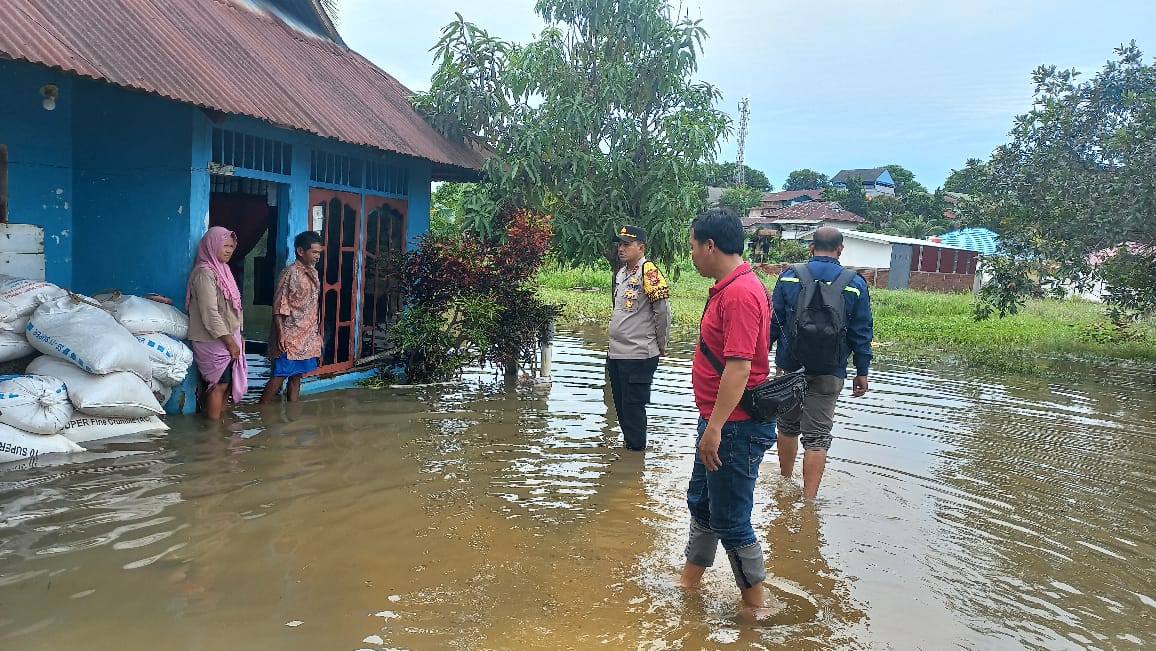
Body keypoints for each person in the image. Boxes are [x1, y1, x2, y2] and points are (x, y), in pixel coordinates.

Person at [678, 207, 777, 612]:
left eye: (693, 247)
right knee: (702, 503)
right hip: (719, 421)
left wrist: (715, 427)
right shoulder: (731, 286)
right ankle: (688, 583)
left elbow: (738, 369)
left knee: (732, 518)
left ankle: (756, 607)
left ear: (710, 245)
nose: (692, 256)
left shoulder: (739, 293)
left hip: (733, 426)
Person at [770, 226, 874, 499]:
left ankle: (784, 482)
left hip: (789, 366)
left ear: (810, 247)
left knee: (787, 427)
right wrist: (862, 371)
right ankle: (809, 501)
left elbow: (773, 323)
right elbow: (861, 331)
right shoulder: (855, 283)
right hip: (831, 370)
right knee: (817, 437)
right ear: (840, 249)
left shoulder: (790, 275)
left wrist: (760, 360)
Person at [606, 224, 671, 450]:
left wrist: (661, 344)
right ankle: (629, 458)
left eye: (627, 244)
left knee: (633, 410)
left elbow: (662, 311)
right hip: (616, 353)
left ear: (641, 247)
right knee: (622, 409)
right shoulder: (622, 273)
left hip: (638, 354)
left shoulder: (649, 272)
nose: (621, 249)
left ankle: (635, 463)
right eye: (620, 244)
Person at [187, 226, 248, 420]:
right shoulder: (204, 273)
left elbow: (235, 306)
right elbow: (210, 314)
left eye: (231, 246)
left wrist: (239, 336)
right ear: (212, 245)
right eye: (225, 245)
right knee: (218, 384)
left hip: (229, 336)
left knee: (227, 385)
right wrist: (230, 341)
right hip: (211, 339)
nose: (229, 250)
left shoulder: (224, 270)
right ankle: (212, 435)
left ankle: (220, 426)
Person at [260, 231, 324, 404]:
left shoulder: (314, 273)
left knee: (296, 377)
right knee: (279, 376)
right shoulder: (289, 273)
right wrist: (281, 334)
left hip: (307, 336)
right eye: (314, 252)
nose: (317, 256)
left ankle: (292, 415)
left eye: (319, 253)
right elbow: (279, 306)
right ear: (301, 251)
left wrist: (316, 334)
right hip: (289, 336)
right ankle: (259, 413)